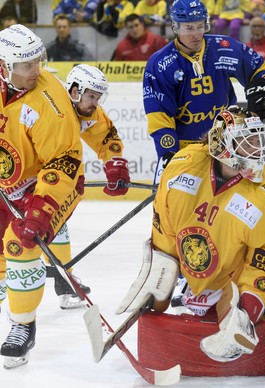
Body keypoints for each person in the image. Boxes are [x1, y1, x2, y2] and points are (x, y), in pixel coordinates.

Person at [116, 106, 265, 363]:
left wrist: (249, 306)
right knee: (210, 321)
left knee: (264, 311)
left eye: (258, 139)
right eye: (247, 141)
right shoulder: (182, 167)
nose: (257, 148)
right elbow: (164, 228)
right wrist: (159, 278)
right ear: (222, 144)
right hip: (212, 276)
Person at [0, 24, 85, 369]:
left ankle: (23, 325)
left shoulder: (49, 101)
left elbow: (63, 163)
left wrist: (38, 211)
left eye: (39, 61)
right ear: (4, 66)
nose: (36, 70)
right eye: (27, 65)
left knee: (21, 243)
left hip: (48, 185)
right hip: (8, 183)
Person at [143, 0, 265, 183]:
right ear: (175, 27)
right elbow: (159, 115)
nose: (196, 34)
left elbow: (260, 69)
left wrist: (261, 90)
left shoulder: (223, 47)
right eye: (189, 28)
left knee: (228, 203)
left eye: (200, 26)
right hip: (185, 150)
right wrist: (168, 154)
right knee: (177, 208)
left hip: (225, 145)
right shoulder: (160, 63)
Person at [45, 64, 131, 310]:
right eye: (91, 95)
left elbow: (106, 137)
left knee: (56, 224)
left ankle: (63, 277)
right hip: (24, 174)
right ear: (74, 90)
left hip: (54, 178)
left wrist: (115, 163)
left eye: (98, 96)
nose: (95, 102)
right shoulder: (50, 105)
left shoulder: (87, 112)